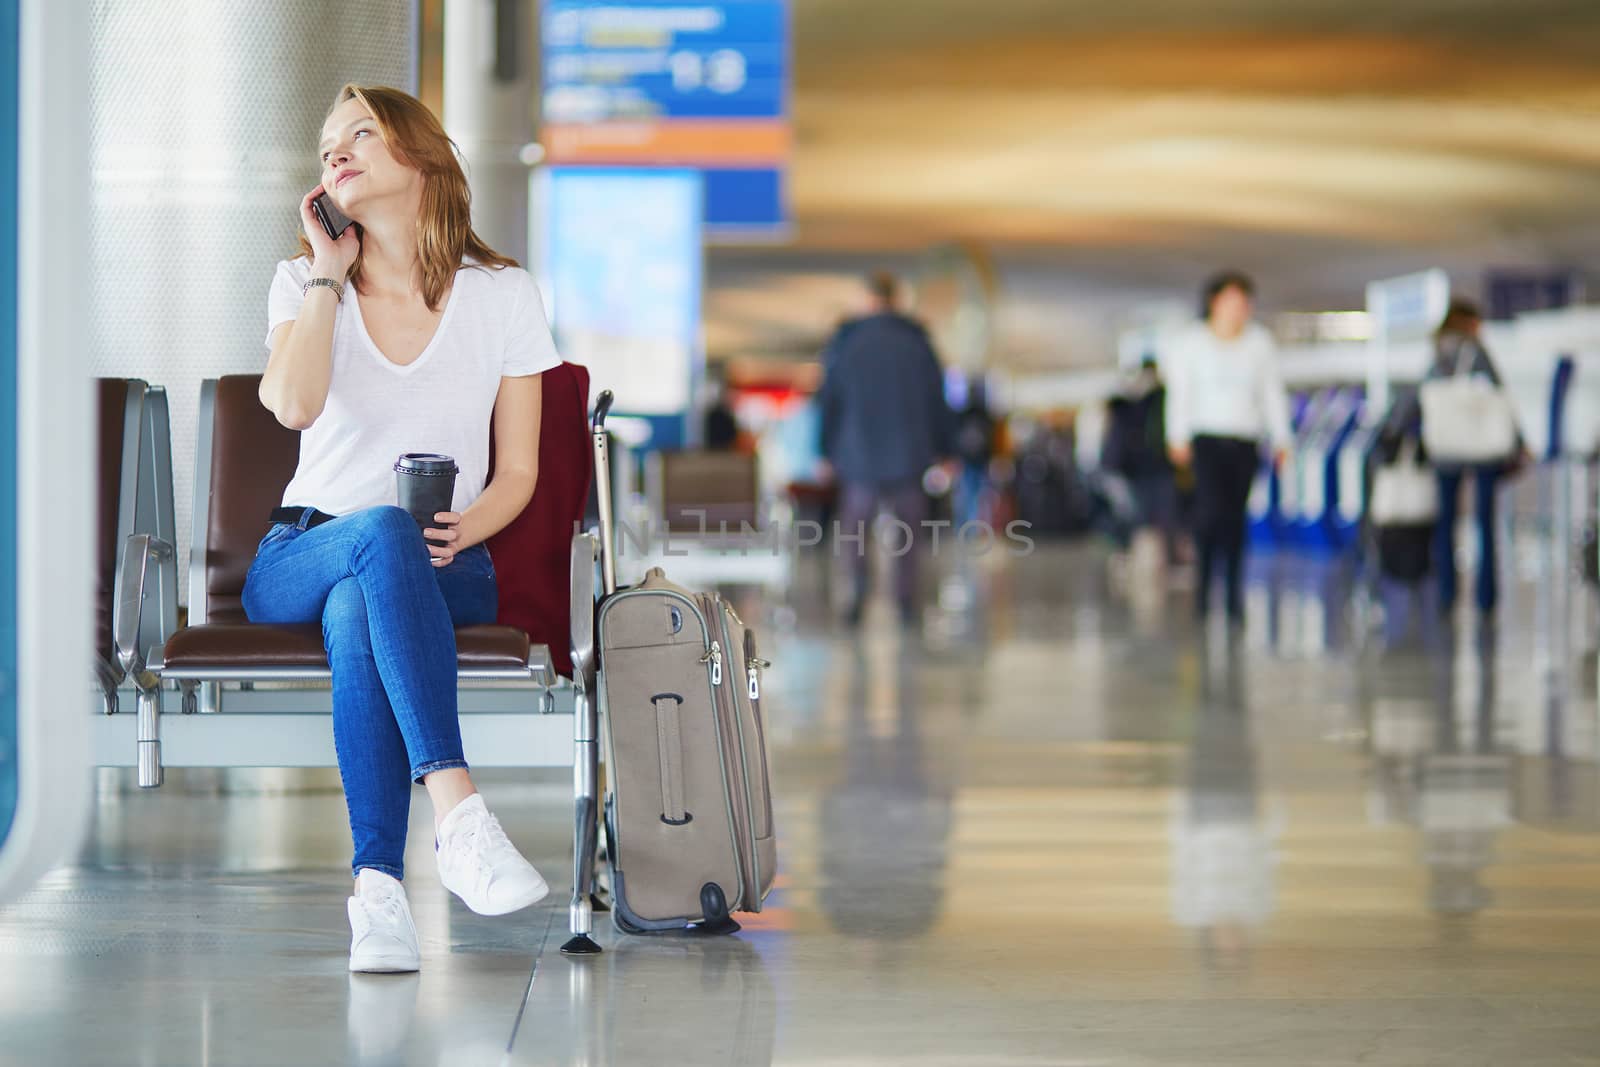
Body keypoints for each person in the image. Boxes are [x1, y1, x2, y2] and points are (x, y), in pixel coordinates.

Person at [247, 84, 561, 973]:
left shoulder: (501, 294)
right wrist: (325, 275)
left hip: (444, 561)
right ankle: (458, 814)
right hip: (300, 549)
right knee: (370, 540)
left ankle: (379, 894)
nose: (335, 154)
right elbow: (291, 405)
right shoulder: (303, 284)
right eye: (325, 147)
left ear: (422, 157)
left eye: (360, 135)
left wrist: (466, 531)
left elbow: (522, 473)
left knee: (362, 607)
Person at [816, 271, 954, 626]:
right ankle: (905, 601)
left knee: (856, 529)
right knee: (908, 532)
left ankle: (858, 591)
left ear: (868, 300)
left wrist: (824, 451)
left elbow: (830, 400)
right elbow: (936, 400)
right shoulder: (918, 343)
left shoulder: (847, 342)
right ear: (897, 299)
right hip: (909, 453)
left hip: (857, 452)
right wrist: (946, 449)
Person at [1165, 271, 1291, 625]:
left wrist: (1282, 438)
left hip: (1245, 439)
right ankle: (1204, 591)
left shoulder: (1259, 344)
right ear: (1214, 303)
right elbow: (1181, 394)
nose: (1240, 309)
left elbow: (1272, 394)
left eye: (1244, 302)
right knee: (1209, 514)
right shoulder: (1191, 343)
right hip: (1205, 440)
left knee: (1236, 517)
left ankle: (1234, 593)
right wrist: (1177, 437)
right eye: (1233, 301)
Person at [1387, 299, 1525, 616]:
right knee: (1484, 522)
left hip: (1446, 448)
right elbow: (1500, 398)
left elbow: (1417, 398)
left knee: (1446, 523)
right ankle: (1485, 597)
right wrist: (1519, 441)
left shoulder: (1436, 353)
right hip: (1482, 447)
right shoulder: (1476, 351)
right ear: (1469, 323)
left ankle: (1447, 595)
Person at [1103, 356, 1177, 567]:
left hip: (1150, 467)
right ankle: (1131, 553)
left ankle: (1157, 558)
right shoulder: (1128, 404)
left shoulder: (1155, 400)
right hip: (1132, 468)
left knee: (1155, 514)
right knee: (1134, 513)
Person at [952, 379, 996, 529]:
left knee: (966, 494)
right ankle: (971, 527)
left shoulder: (963, 414)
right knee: (975, 494)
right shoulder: (984, 415)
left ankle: (967, 526)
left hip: (970, 460)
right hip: (976, 460)